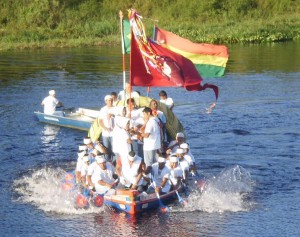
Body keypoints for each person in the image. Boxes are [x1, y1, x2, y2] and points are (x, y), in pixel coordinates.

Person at [139, 107, 162, 173]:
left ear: (148, 113)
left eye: (144, 114)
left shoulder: (150, 122)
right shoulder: (156, 119)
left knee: (149, 164)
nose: (144, 116)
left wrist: (138, 134)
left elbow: (146, 135)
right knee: (155, 163)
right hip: (156, 145)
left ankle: (152, 180)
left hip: (149, 146)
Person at [97, 95, 115, 162]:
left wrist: (113, 115)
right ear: (106, 101)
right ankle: (107, 162)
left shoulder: (115, 109)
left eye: (111, 100)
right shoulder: (103, 109)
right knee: (106, 149)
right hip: (106, 133)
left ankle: (114, 163)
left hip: (113, 133)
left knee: (114, 149)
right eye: (109, 100)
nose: (111, 102)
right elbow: (100, 121)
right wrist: (105, 128)